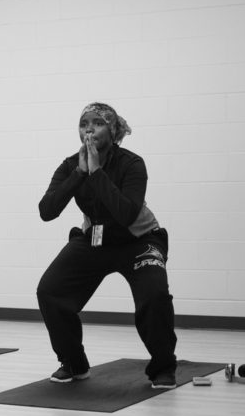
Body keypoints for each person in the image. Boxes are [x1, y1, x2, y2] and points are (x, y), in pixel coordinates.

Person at [37, 102, 177, 389]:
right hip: (95, 240)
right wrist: (79, 173)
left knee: (155, 296)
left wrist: (97, 172)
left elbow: (126, 213)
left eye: (97, 123)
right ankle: (73, 363)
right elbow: (47, 211)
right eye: (84, 123)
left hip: (138, 240)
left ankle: (163, 367)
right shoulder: (70, 166)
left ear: (112, 130)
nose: (89, 128)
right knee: (50, 291)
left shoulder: (132, 163)